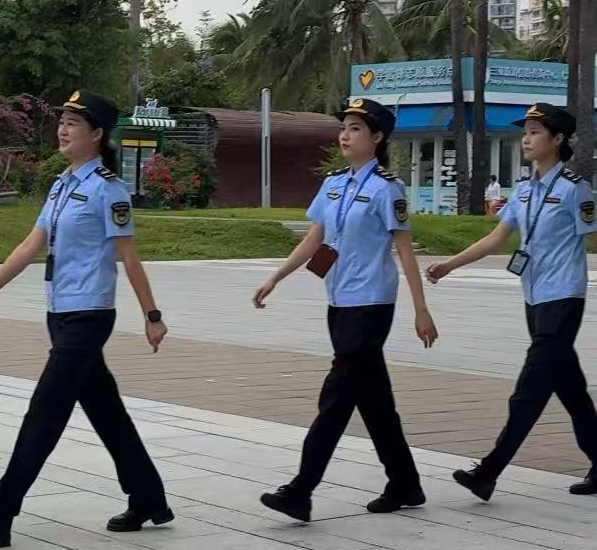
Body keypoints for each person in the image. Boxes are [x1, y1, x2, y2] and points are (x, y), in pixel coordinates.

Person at [0, 90, 172, 547]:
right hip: (60, 312)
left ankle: (0, 512)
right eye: (62, 121)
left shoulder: (108, 190)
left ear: (97, 134)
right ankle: (149, 497)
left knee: (45, 410)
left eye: (74, 123)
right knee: (107, 412)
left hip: (89, 314)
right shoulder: (61, 185)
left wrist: (152, 315)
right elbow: (31, 245)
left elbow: (129, 258)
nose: (63, 129)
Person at [253, 98, 438, 523]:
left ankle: (300, 490)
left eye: (356, 128)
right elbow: (315, 239)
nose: (345, 135)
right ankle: (405, 483)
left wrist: (421, 309)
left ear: (377, 137)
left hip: (371, 304)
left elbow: (405, 251)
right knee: (374, 401)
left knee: (336, 398)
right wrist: (276, 277)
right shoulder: (334, 183)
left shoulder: (387, 188)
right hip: (339, 301)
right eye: (344, 128)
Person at [427, 103, 597, 499]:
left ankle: (489, 471)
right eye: (525, 132)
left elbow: (593, 234)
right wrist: (450, 265)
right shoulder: (523, 190)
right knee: (570, 388)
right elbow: (496, 238)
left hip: (564, 297)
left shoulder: (575, 189)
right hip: (534, 299)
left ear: (557, 139)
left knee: (529, 390)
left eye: (535, 132)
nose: (526, 138)